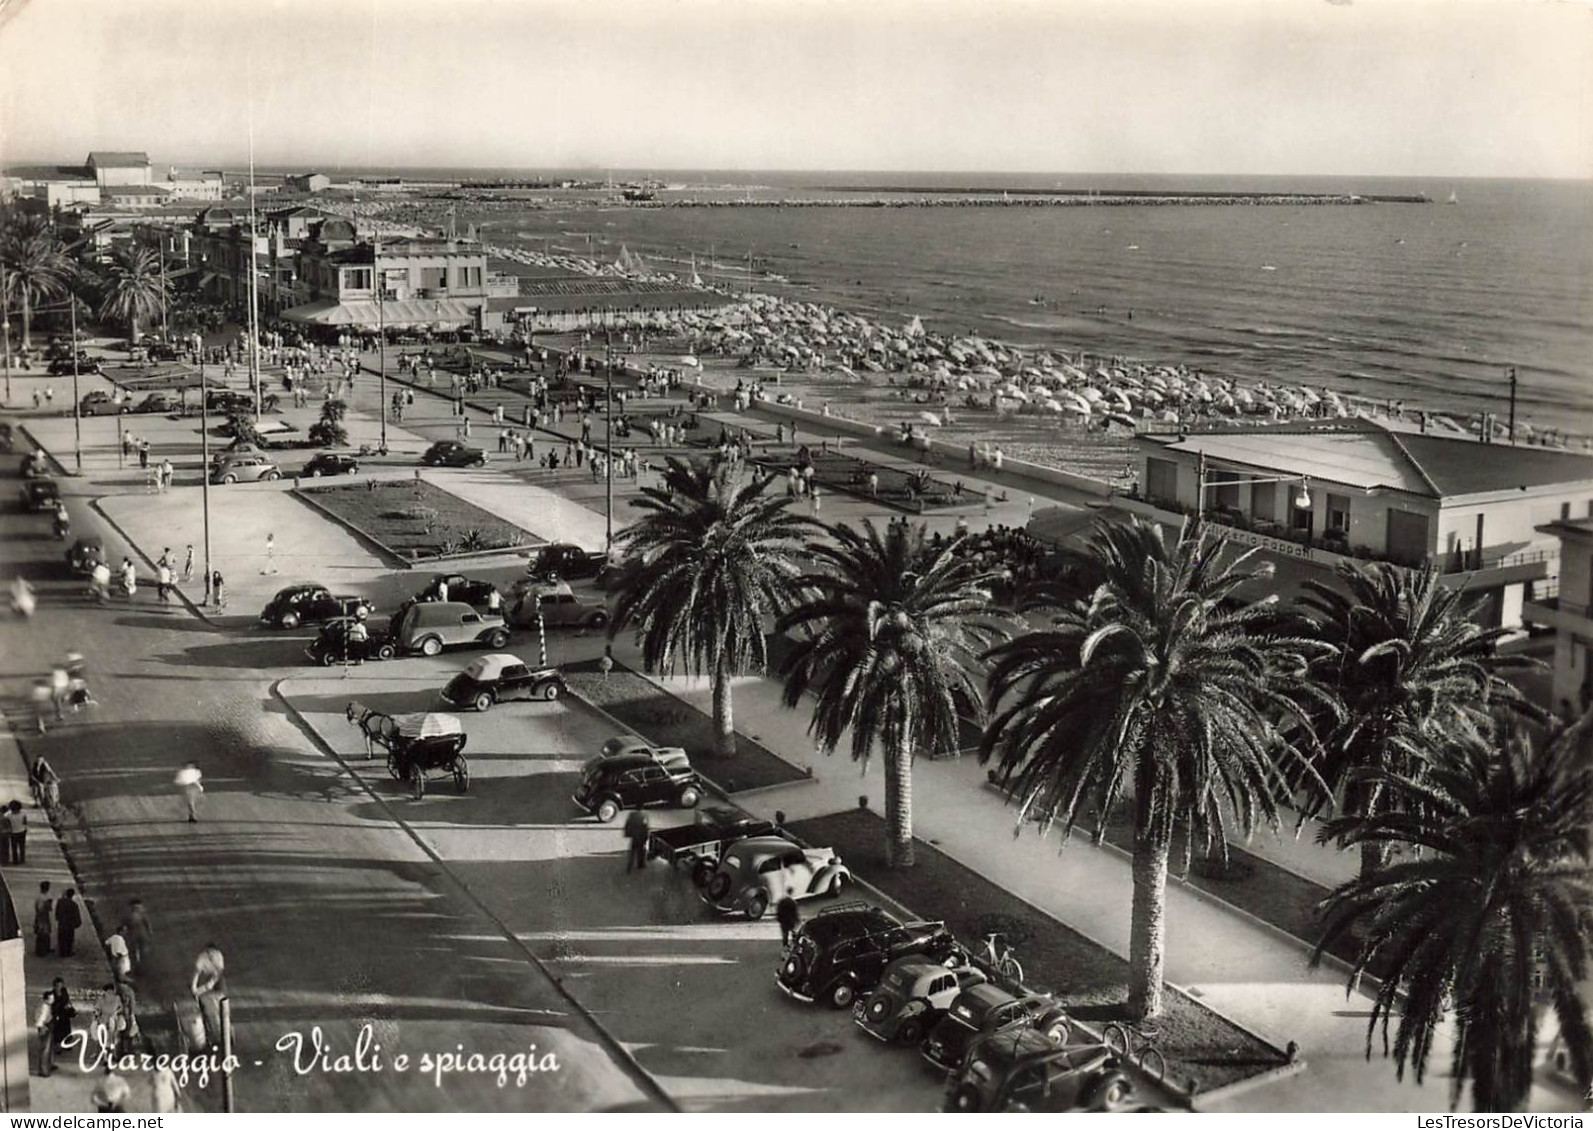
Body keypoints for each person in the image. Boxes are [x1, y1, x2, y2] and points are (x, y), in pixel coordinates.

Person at [191, 942, 226, 1049]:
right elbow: (196, 973)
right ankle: (209, 1036)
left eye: (212, 952)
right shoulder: (202, 957)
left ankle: (224, 1035)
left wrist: (210, 984)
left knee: (218, 1011)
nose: (210, 954)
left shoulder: (218, 956)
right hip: (205, 982)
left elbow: (218, 973)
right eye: (208, 952)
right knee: (205, 1013)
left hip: (217, 984)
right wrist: (194, 987)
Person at [127, 898, 153, 974]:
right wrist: (150, 932)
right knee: (143, 952)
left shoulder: (130, 914)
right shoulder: (142, 912)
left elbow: (126, 924)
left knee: (134, 952)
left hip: (134, 934)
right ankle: (142, 967)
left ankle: (137, 967)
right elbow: (147, 923)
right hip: (142, 934)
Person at [54, 889, 82, 957]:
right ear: (72, 895)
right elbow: (77, 916)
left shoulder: (60, 902)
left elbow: (57, 913)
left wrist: (58, 918)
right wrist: (77, 924)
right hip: (70, 925)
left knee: (61, 938)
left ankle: (62, 952)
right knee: (69, 939)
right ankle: (68, 952)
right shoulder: (74, 905)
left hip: (62, 924)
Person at [623, 808, 650, 872]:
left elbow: (627, 824)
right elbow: (645, 826)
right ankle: (640, 864)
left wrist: (627, 833)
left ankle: (630, 865)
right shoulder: (644, 815)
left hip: (634, 835)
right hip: (641, 835)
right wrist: (646, 836)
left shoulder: (631, 814)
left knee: (633, 851)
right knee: (641, 850)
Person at [33, 882, 52, 957]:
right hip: (42, 916)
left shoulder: (40, 897)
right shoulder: (43, 898)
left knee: (44, 933)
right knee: (42, 933)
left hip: (42, 916)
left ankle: (45, 948)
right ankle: (41, 950)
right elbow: (41, 908)